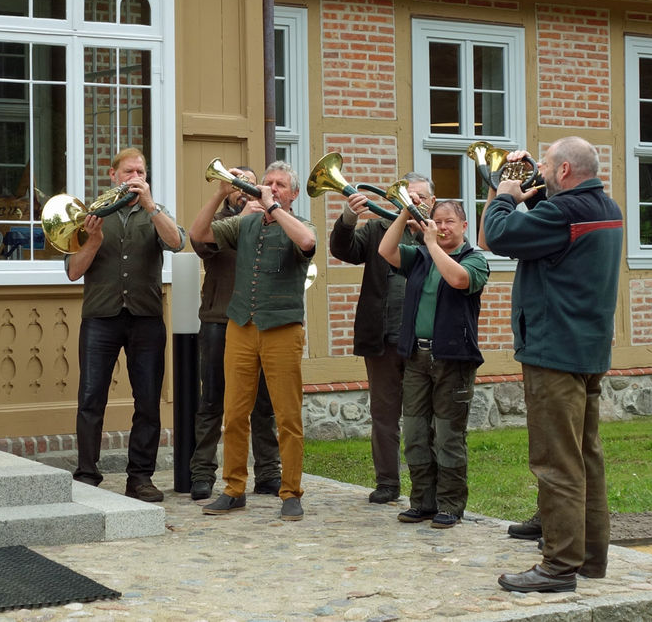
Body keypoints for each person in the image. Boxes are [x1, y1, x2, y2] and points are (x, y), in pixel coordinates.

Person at [483, 136, 623, 594]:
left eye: (544, 166)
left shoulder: (563, 214)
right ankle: (590, 558)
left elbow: (499, 235)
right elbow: (552, 223)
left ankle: (558, 566)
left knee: (556, 462)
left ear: (564, 171)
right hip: (588, 350)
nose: (539, 172)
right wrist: (527, 180)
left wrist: (505, 190)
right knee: (586, 456)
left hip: (553, 352)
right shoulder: (606, 208)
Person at [190, 160, 316, 521]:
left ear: (292, 194)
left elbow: (307, 242)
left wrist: (274, 208)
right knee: (234, 413)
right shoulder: (243, 223)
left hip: (282, 329)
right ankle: (233, 489)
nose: (271, 188)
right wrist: (218, 194)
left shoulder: (300, 224)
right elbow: (199, 235)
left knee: (287, 416)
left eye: (280, 184)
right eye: (267, 183)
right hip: (241, 326)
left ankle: (290, 491)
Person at [64, 148, 186, 503]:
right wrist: (95, 241)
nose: (136, 177)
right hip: (100, 318)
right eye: (129, 171)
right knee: (90, 398)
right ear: (113, 174)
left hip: (146, 318)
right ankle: (87, 474)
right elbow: (73, 271)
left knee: (147, 400)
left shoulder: (156, 213)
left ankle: (140, 477)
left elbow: (177, 243)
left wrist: (151, 206)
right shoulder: (90, 216)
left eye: (142, 172)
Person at [377, 198, 487, 529]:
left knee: (448, 436)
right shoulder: (421, 256)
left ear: (464, 226)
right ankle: (422, 501)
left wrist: (430, 243)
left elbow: (457, 280)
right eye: (436, 221)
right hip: (416, 356)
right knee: (414, 432)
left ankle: (451, 504)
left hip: (454, 359)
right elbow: (386, 250)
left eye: (449, 221)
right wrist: (403, 215)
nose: (441, 226)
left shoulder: (475, 259)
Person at [329, 173, 433, 505]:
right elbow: (343, 249)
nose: (416, 202)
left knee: (423, 417)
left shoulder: (437, 234)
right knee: (384, 415)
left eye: (422, 197)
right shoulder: (377, 230)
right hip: (382, 338)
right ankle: (387, 482)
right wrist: (348, 218)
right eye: (408, 196)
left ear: (432, 200)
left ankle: (426, 486)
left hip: (424, 341)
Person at [191, 165, 282, 501]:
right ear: (227, 190)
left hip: (261, 321)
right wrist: (241, 213)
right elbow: (198, 239)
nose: (243, 188)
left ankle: (269, 472)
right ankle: (202, 472)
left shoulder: (270, 218)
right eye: (236, 183)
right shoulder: (221, 221)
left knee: (263, 403)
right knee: (213, 399)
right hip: (220, 318)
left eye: (248, 183)